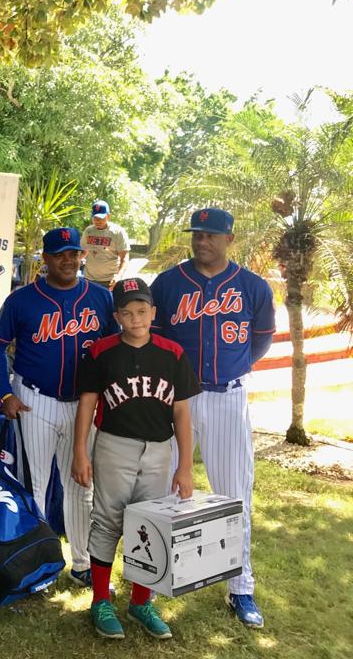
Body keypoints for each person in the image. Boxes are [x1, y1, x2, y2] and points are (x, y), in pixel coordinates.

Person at [150, 207, 275, 628]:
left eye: (210, 235)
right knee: (161, 485)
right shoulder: (167, 284)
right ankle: (149, 581)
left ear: (229, 239)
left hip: (226, 396)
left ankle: (241, 588)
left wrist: (230, 368)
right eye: (197, 234)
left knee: (235, 492)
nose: (202, 241)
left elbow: (259, 341)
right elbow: (155, 338)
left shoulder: (253, 287)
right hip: (175, 398)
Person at [0, 227, 117, 588]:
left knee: (80, 484)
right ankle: (40, 565)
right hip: (35, 399)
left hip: (83, 404)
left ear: (82, 255)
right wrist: (5, 393)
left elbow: (113, 348)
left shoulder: (100, 298)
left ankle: (82, 563)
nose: (68, 260)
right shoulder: (23, 299)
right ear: (45, 259)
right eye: (60, 254)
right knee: (36, 484)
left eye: (73, 253)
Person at [71, 277, 199, 640]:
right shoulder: (101, 351)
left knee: (152, 523)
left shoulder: (172, 353)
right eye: (127, 313)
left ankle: (141, 601)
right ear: (117, 316)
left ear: (153, 312)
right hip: (114, 444)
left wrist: (185, 466)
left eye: (142, 311)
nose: (135, 319)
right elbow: (87, 404)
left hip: (159, 449)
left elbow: (182, 414)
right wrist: (81, 451)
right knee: (108, 520)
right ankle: (100, 600)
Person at [81, 200, 130, 289]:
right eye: (95, 217)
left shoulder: (118, 232)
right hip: (88, 279)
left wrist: (118, 276)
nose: (98, 221)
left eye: (101, 217)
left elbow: (124, 258)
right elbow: (83, 252)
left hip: (109, 281)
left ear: (108, 216)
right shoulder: (88, 231)